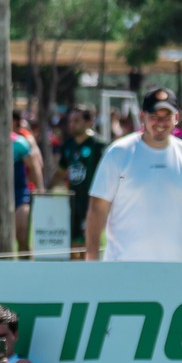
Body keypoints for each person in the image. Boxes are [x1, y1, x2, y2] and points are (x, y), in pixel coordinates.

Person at [86, 88, 182, 262]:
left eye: (166, 116)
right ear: (142, 117)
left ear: (176, 118)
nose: (160, 122)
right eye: (154, 116)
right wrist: (92, 256)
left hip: (175, 270)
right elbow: (98, 208)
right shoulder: (118, 153)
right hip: (123, 268)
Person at [57, 106, 111, 258]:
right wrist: (45, 190)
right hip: (74, 202)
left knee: (89, 242)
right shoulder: (68, 145)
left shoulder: (99, 145)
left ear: (89, 122)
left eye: (77, 120)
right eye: (70, 121)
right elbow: (61, 171)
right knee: (73, 246)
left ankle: (91, 276)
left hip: (93, 203)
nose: (72, 124)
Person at [11, 109, 44, 254]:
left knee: (22, 235)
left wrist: (40, 189)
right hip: (2, 194)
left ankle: (26, 268)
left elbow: (37, 164)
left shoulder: (23, 141)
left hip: (22, 192)